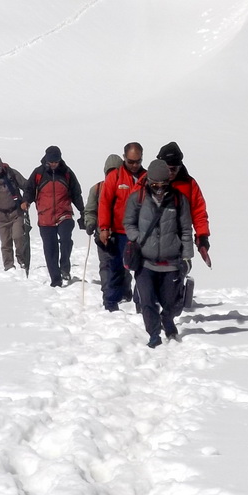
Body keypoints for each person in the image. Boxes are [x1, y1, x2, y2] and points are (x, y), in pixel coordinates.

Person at [124, 159, 193, 347]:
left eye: (164, 184)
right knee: (147, 301)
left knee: (171, 302)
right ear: (148, 182)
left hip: (171, 262)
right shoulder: (137, 198)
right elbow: (128, 223)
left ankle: (167, 319)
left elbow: (186, 230)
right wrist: (138, 238)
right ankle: (154, 334)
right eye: (155, 185)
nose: (160, 189)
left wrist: (187, 257)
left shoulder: (179, 200)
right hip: (145, 261)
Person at [22, 145, 83, 288]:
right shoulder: (38, 173)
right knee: (50, 249)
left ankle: (65, 266)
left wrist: (82, 210)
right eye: (51, 162)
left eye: (56, 161)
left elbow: (76, 193)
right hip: (45, 216)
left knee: (66, 239)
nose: (54, 164)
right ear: (46, 160)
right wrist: (26, 201)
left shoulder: (67, 173)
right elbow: (29, 189)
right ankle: (56, 280)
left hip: (64, 214)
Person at [97, 142, 147, 311]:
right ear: (124, 157)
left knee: (143, 269)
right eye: (131, 161)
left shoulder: (147, 178)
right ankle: (111, 303)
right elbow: (105, 202)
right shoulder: (115, 176)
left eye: (138, 161)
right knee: (116, 267)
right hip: (119, 232)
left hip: (142, 232)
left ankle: (142, 304)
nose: (134, 165)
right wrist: (104, 228)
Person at [156, 141, 210, 264]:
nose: (170, 173)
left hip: (179, 240)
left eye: (174, 169)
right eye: (167, 169)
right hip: (152, 239)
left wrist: (202, 236)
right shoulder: (148, 182)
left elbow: (198, 212)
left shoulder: (189, 184)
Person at [83, 154, 123, 309]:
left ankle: (123, 292)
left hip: (122, 234)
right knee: (106, 265)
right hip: (103, 234)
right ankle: (108, 295)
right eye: (110, 171)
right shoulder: (97, 189)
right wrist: (90, 223)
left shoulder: (126, 188)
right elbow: (90, 210)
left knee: (123, 266)